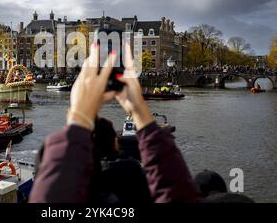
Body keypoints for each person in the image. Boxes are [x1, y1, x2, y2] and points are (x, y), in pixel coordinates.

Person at [29, 42, 200, 203]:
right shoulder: (131, 171)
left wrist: (78, 118)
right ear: (115, 144)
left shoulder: (81, 178)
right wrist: (140, 111)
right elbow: (177, 194)